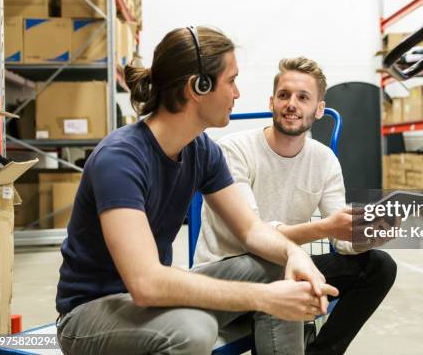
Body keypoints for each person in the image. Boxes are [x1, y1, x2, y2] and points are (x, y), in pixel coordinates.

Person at [55, 27, 339, 355]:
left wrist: (293, 255)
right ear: (198, 87)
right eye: (231, 81)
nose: (237, 94)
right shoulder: (120, 159)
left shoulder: (201, 149)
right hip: (89, 314)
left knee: (276, 268)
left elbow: (250, 229)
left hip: (146, 301)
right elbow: (145, 283)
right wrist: (262, 298)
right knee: (194, 331)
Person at [195, 57, 398, 355]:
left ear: (318, 109)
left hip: (285, 264)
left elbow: (340, 242)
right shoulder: (235, 150)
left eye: (303, 97)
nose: (292, 103)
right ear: (272, 102)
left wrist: (366, 235)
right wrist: (326, 227)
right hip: (224, 274)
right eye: (284, 95)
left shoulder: (324, 159)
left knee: (379, 266)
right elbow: (250, 235)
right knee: (280, 268)